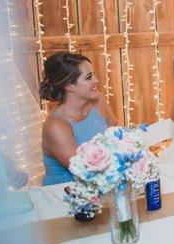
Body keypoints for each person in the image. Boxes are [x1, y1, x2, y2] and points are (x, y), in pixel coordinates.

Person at [39, 52, 118, 186]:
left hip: (105, 182)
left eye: (93, 74)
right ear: (69, 86)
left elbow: (117, 136)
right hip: (66, 192)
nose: (96, 80)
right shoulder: (55, 125)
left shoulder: (98, 101)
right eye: (88, 77)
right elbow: (83, 170)